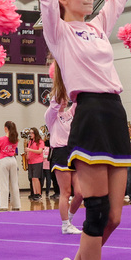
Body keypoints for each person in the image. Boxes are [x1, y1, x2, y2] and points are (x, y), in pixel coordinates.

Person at [34, 0, 131, 260]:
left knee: (113, 217)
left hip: (115, 114)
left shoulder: (97, 28)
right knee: (95, 212)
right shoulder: (58, 31)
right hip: (89, 115)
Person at [46, 70, 83, 235]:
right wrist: (60, 81)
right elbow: (54, 102)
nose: (63, 100)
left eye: (65, 98)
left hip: (72, 153)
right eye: (61, 98)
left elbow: (78, 101)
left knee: (80, 193)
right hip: (60, 152)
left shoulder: (70, 114)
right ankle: (65, 224)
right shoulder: (51, 117)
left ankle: (68, 218)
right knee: (66, 191)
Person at [0, 122, 21, 211]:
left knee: (4, 184)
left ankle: (3, 205)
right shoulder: (15, 139)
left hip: (4, 160)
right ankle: (16, 205)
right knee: (14, 183)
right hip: (13, 160)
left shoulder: (2, 139)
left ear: (6, 128)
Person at [24, 128, 46, 202]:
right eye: (30, 133)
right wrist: (27, 155)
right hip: (31, 162)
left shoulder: (40, 141)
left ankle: (39, 194)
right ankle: (34, 193)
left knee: (36, 178)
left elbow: (40, 151)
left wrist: (29, 150)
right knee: (32, 179)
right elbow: (29, 151)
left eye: (31, 133)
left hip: (37, 161)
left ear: (35, 133)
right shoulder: (30, 141)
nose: (30, 134)